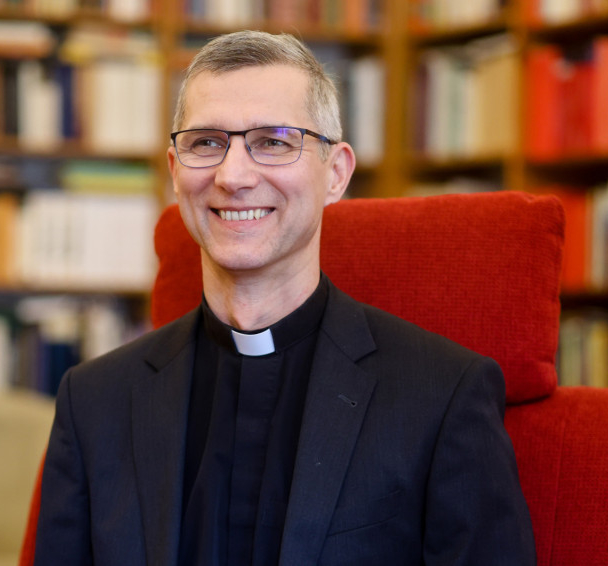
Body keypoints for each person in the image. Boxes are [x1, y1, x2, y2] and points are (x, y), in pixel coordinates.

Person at [33, 30, 536, 566]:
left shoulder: (444, 395)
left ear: (336, 173)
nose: (233, 176)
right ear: (176, 173)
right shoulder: (93, 402)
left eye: (273, 141)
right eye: (206, 143)